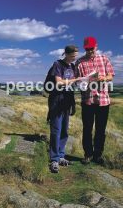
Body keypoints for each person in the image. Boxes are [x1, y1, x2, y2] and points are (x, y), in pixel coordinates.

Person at [75, 36, 114, 165]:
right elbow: (76, 80)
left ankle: (98, 155)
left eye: (92, 48)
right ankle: (88, 154)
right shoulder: (79, 62)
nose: (90, 51)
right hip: (88, 100)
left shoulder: (104, 59)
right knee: (87, 129)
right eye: (87, 49)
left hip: (103, 100)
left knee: (100, 130)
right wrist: (81, 82)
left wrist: (104, 78)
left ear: (96, 46)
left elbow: (111, 76)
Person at [47, 45, 80, 173]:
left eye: (75, 56)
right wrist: (75, 79)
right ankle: (54, 159)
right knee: (56, 129)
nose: (74, 59)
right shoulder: (58, 64)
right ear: (66, 54)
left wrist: (81, 81)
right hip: (57, 100)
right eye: (72, 56)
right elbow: (59, 82)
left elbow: (73, 84)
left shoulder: (72, 67)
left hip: (67, 100)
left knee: (64, 130)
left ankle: (61, 155)